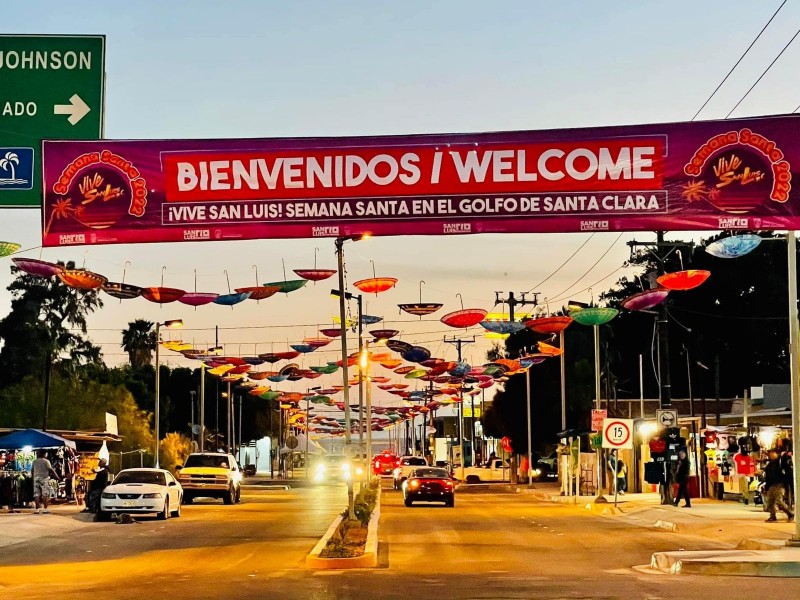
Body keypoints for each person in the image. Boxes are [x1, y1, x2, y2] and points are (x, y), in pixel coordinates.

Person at [764, 448, 794, 523]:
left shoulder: (781, 462)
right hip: (771, 485)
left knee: (778, 501)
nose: (770, 455)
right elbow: (767, 476)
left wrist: (786, 482)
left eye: (772, 453)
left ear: (776, 453)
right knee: (770, 502)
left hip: (779, 484)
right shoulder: (770, 464)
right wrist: (767, 487)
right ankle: (772, 516)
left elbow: (788, 472)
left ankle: (790, 514)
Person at [31, 449, 59, 515]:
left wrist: (33, 478)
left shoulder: (34, 461)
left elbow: (32, 470)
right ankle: (45, 509)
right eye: (46, 453)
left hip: (36, 479)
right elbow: (51, 469)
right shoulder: (46, 461)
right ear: (44, 454)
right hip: (44, 479)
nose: (47, 455)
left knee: (36, 494)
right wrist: (57, 477)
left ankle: (37, 509)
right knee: (45, 494)